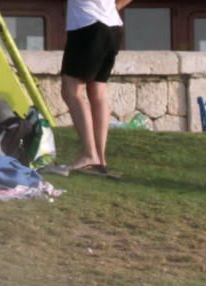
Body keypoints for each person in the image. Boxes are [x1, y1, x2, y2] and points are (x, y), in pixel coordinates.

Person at [61, 0, 132, 177]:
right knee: (97, 92)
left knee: (71, 91)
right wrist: (112, 7)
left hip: (87, 26)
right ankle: (100, 158)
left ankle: (89, 154)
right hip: (112, 28)